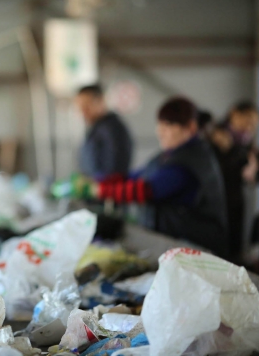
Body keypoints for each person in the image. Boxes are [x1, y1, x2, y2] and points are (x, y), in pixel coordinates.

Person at [69, 97, 228, 257]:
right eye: (160, 124)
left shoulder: (192, 160)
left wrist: (99, 190)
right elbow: (135, 176)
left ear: (191, 127)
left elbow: (146, 190)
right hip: (173, 243)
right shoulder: (168, 155)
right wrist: (97, 181)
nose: (160, 131)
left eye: (169, 125)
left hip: (195, 249)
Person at [209, 101, 259, 263]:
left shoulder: (244, 142)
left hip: (236, 200)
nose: (249, 127)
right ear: (234, 113)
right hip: (217, 201)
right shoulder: (214, 136)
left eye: (253, 124)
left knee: (235, 245)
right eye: (247, 120)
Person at [75, 84, 133, 180]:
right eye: (80, 107)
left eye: (87, 105)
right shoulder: (97, 128)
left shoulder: (112, 130)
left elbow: (114, 171)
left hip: (106, 191)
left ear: (101, 101)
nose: (83, 111)